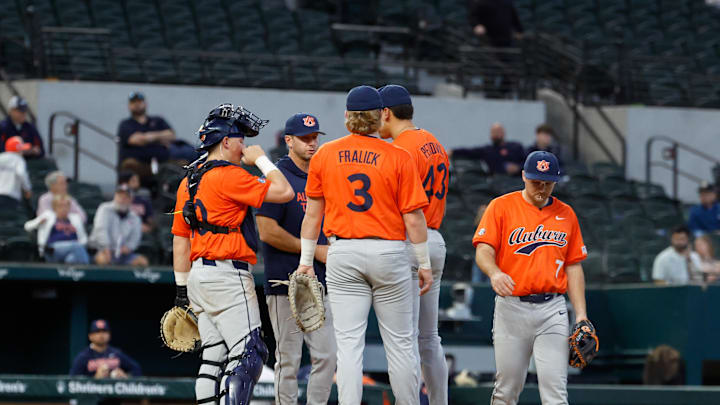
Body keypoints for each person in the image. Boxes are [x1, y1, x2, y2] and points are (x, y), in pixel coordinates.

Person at [296, 85, 433, 405]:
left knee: (348, 347)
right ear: (379, 117)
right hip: (390, 252)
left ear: (347, 117)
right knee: (400, 346)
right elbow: (414, 219)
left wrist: (305, 261)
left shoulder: (325, 154)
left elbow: (312, 215)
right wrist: (424, 263)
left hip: (343, 252)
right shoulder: (399, 155)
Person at [171, 104, 294, 404]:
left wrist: (181, 291)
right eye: (241, 139)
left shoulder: (188, 180)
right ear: (225, 141)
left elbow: (180, 240)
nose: (245, 147)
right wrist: (262, 159)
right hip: (228, 275)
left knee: (213, 358)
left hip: (199, 278)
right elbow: (284, 192)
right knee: (249, 353)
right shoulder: (229, 175)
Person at [473, 151, 590, 405]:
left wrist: (581, 315)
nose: (542, 187)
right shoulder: (501, 206)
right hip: (512, 308)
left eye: (548, 182)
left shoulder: (566, 214)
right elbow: (483, 250)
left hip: (553, 309)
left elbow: (574, 267)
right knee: (507, 389)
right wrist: (494, 272)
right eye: (537, 180)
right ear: (524, 176)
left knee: (555, 392)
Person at [256, 113, 337, 405]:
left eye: (315, 137)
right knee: (288, 360)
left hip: (321, 281)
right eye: (305, 138)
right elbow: (266, 231)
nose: (312, 143)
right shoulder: (278, 177)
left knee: (327, 357)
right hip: (284, 280)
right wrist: (314, 250)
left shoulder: (323, 175)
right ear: (288, 140)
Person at [378, 84, 449, 405]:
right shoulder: (434, 141)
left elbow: (397, 206)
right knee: (429, 338)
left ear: (386, 113)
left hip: (411, 241)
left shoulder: (400, 149)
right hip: (435, 240)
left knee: (405, 340)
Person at [117, 91, 196, 184]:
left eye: (139, 102)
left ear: (145, 103)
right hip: (140, 164)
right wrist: (158, 137)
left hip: (162, 160)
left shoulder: (157, 120)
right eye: (134, 102)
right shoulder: (126, 124)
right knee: (129, 166)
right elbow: (134, 140)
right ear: (129, 105)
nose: (137, 105)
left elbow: (171, 135)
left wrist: (146, 137)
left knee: (185, 164)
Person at [89, 184, 148, 266]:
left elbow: (135, 237)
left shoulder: (135, 217)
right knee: (103, 260)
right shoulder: (104, 209)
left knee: (142, 262)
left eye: (125, 197)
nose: (121, 199)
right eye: (119, 196)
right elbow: (101, 230)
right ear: (115, 197)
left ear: (131, 199)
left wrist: (128, 247)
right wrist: (106, 248)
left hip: (123, 254)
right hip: (102, 250)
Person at [24, 194, 89, 264]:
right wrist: (38, 223)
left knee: (72, 259)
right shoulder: (48, 215)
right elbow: (27, 226)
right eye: (60, 206)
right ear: (54, 207)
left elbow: (83, 238)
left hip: (74, 248)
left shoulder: (75, 218)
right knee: (77, 247)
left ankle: (66, 272)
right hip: (52, 249)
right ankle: (89, 270)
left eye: (66, 206)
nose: (64, 208)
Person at [70, 319, 142, 378]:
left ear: (109, 335)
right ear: (90, 336)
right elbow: (73, 380)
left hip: (114, 393)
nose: (101, 335)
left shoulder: (117, 353)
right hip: (93, 394)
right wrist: (94, 379)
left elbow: (137, 369)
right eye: (97, 332)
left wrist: (125, 376)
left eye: (104, 331)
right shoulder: (83, 356)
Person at [452, 123, 525, 176]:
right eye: (493, 132)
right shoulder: (487, 150)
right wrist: (453, 151)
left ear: (503, 133)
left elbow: (527, 162)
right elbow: (469, 152)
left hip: (516, 180)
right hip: (496, 182)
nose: (495, 134)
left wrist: (517, 167)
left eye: (498, 132)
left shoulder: (516, 147)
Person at [0, 136, 32, 210]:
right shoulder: (18, 159)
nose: (22, 152)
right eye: (21, 150)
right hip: (10, 195)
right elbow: (21, 173)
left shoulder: (1, 157)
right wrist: (27, 189)